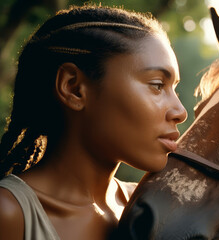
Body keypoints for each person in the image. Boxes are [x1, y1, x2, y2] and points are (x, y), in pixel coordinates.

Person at [0, 5, 187, 240]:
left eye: (174, 88)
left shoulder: (147, 209)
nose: (180, 112)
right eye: (158, 85)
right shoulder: (10, 215)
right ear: (74, 88)